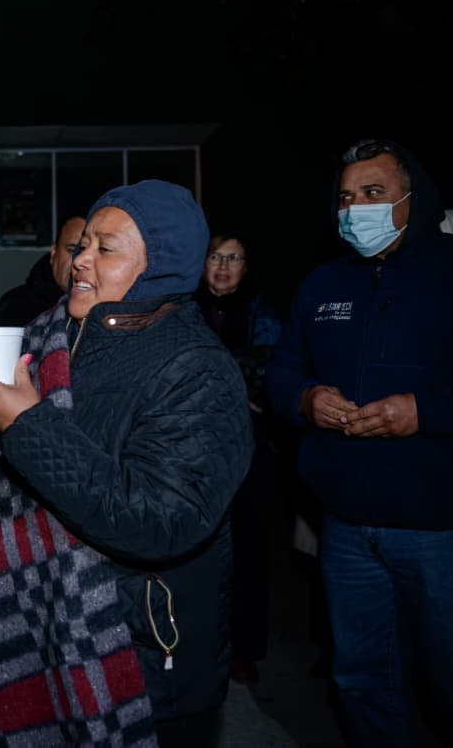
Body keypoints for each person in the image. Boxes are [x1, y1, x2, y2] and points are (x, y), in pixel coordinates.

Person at [0, 180, 253, 747]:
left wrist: (26, 425)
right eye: (83, 245)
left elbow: (159, 519)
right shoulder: (51, 334)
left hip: (136, 653)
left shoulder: (199, 370)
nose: (82, 259)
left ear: (161, 266)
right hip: (36, 633)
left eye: (107, 249)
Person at [267, 138, 453, 748]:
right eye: (345, 197)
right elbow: (283, 369)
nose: (355, 209)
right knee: (361, 679)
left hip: (442, 527)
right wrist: (305, 398)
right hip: (345, 525)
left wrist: (426, 412)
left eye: (373, 192)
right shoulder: (323, 283)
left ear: (412, 198)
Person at [194, 233, 282, 684]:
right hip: (191, 453)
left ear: (246, 267)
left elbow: (270, 374)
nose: (224, 266)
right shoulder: (183, 308)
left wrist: (214, 376)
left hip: (251, 454)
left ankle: (243, 650)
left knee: (248, 553)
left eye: (234, 258)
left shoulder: (263, 314)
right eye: (216, 256)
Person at [0, 213, 85, 326]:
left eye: (98, 251)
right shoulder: (15, 308)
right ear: (54, 253)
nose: (80, 261)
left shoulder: (101, 310)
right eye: (72, 250)